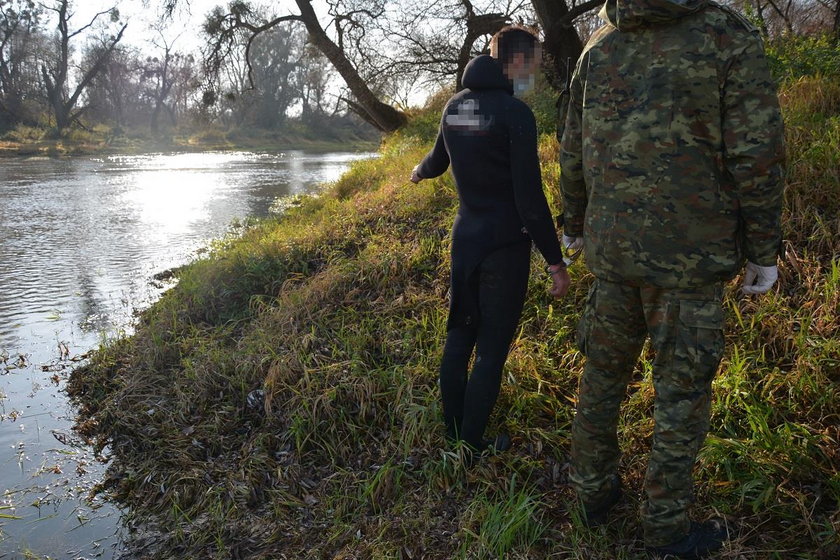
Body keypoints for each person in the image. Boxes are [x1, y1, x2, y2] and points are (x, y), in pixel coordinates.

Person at [559, 0, 784, 557]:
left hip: (613, 251)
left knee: (602, 378)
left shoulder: (600, 42)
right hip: (690, 256)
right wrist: (764, 249)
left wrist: (574, 220)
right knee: (680, 396)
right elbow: (756, 152)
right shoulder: (724, 36)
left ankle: (591, 495)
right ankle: (665, 529)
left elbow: (573, 144)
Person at [410, 26, 571, 456]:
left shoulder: (454, 106)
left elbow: (437, 160)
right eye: (533, 65)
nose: (533, 75)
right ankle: (471, 444)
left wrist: (419, 172)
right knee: (491, 349)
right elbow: (529, 199)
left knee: (459, 335)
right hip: (504, 247)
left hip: (466, 240)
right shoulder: (515, 114)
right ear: (515, 62)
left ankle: (453, 434)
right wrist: (555, 262)